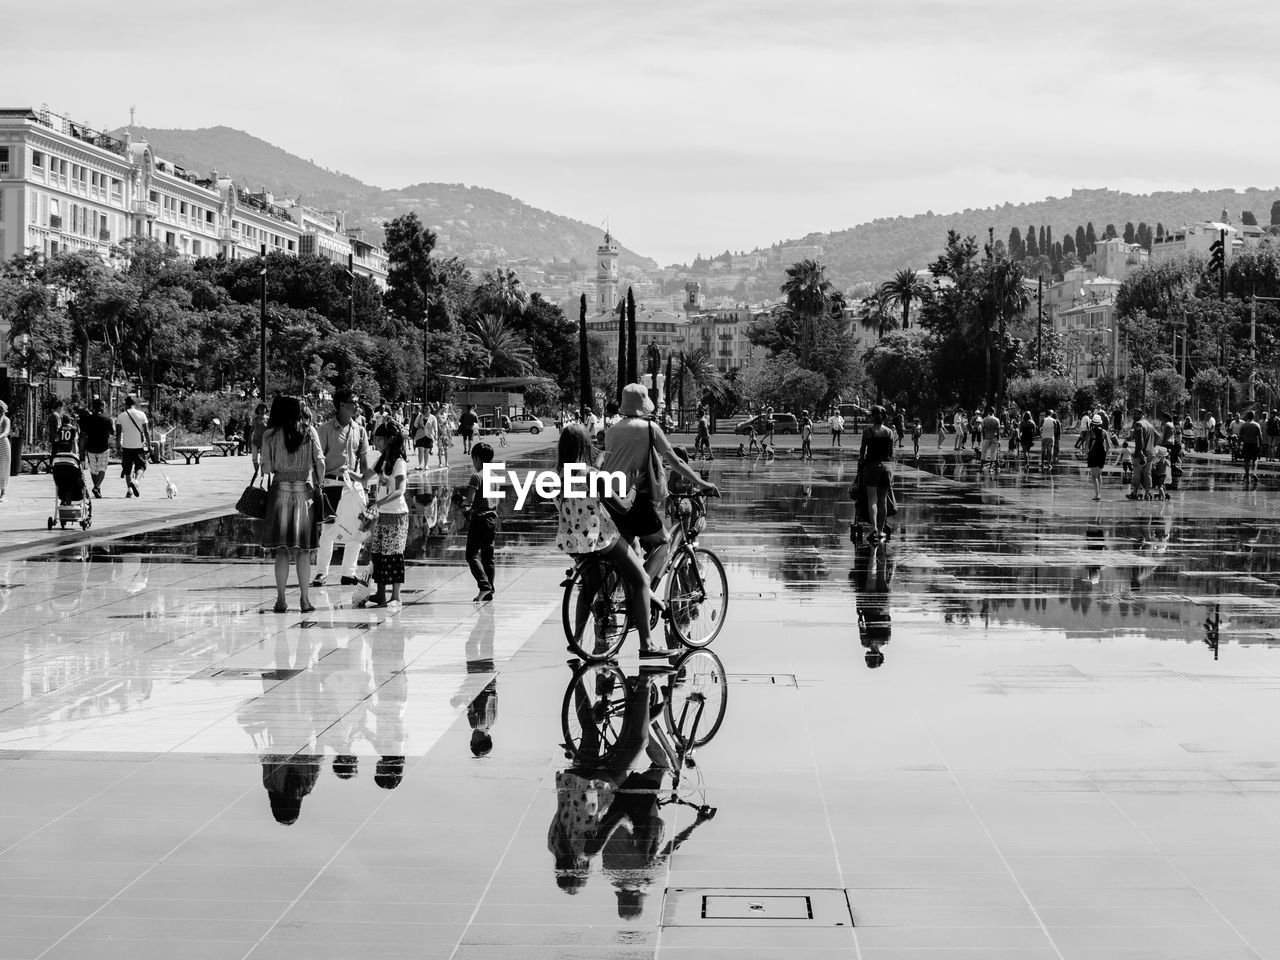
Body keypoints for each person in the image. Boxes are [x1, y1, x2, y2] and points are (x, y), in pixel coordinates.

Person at [603, 384, 720, 646]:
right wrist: (702, 483)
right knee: (664, 542)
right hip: (636, 498)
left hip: (612, 498)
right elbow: (675, 462)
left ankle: (625, 593)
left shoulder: (612, 430)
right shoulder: (649, 429)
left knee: (629, 547)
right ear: (644, 406)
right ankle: (641, 589)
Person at [556, 423, 670, 659]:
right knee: (641, 580)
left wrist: (597, 463)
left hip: (575, 541)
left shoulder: (559, 477)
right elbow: (623, 506)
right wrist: (635, 488)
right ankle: (647, 644)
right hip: (602, 538)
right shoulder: (593, 476)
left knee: (589, 588)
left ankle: (576, 640)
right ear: (585, 445)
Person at [259, 396, 326, 614]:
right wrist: (318, 484)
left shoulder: (270, 434)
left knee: (281, 550)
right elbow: (321, 462)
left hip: (279, 492)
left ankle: (280, 600)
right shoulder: (310, 431)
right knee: (303, 551)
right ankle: (305, 601)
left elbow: (266, 470)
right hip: (303, 492)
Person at [312, 390, 373, 588]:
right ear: (340, 405)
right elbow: (317, 459)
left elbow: (364, 462)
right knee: (329, 531)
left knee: (357, 529)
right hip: (331, 484)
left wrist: (366, 488)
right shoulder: (325, 429)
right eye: (352, 403)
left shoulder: (360, 429)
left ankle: (349, 572)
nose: (357, 406)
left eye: (357, 402)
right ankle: (322, 572)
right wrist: (316, 485)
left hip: (353, 486)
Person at [363, 421, 409, 609]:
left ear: (390, 439)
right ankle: (380, 594)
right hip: (380, 514)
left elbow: (400, 491)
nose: (377, 442)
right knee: (378, 554)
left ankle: (395, 596)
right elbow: (364, 477)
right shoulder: (381, 460)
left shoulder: (399, 463)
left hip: (397, 515)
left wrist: (378, 503)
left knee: (394, 555)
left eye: (380, 439)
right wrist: (347, 473)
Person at [459, 441, 499, 602]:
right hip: (492, 519)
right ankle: (490, 590)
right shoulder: (495, 477)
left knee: (472, 555)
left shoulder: (477, 476)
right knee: (488, 557)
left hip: (479, 519)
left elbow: (469, 501)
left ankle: (484, 586)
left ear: (476, 458)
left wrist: (462, 503)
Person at [856, 405, 896, 543]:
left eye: (870, 415)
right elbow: (891, 453)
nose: (869, 417)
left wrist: (862, 459)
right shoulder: (890, 432)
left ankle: (873, 528)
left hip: (872, 466)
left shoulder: (867, 431)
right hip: (886, 467)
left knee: (872, 499)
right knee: (882, 500)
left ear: (874, 416)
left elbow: (862, 451)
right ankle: (881, 529)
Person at [114, 395, 151, 498]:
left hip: (126, 446)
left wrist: (118, 445)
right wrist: (149, 444)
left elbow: (118, 433)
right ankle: (136, 481)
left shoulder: (121, 416)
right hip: (138, 445)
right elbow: (146, 432)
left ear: (126, 404)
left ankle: (129, 490)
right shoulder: (141, 414)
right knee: (141, 466)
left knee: (127, 469)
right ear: (135, 403)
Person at [80, 398, 113, 498]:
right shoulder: (107, 419)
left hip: (91, 447)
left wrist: (82, 449)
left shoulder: (88, 419)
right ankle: (97, 487)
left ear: (93, 407)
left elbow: (84, 434)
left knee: (93, 470)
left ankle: (97, 488)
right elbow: (112, 432)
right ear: (102, 407)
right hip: (103, 447)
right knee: (102, 469)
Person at [1126, 408, 1158, 501]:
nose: (1133, 416)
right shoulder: (1150, 425)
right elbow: (1158, 437)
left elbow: (1140, 439)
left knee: (1137, 475)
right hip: (1150, 454)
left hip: (1141, 455)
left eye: (1135, 414)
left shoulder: (1138, 424)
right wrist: (1151, 447)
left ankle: (1134, 493)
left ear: (1141, 414)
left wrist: (1140, 452)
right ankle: (1147, 494)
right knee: (1147, 475)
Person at [1083, 414, 1112, 502]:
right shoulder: (1104, 432)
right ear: (1100, 423)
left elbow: (1087, 444)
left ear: (1093, 423)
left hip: (1093, 454)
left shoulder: (1090, 432)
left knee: (1093, 476)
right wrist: (1106, 455)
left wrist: (1087, 453)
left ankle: (1097, 494)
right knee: (1099, 475)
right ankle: (1099, 493)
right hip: (1101, 454)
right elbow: (1109, 446)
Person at [1240, 410, 1263, 488]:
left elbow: (1240, 436)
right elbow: (1260, 437)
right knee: (1255, 459)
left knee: (1246, 460)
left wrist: (1240, 445)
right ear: (1253, 416)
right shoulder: (1257, 425)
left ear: (1247, 416)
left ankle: (1247, 475)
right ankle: (1254, 473)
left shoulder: (1244, 425)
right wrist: (1261, 446)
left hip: (1246, 444)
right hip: (1254, 444)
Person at [979, 406, 1002, 471]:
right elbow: (998, 430)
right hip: (994, 437)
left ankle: (981, 466)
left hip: (987, 437)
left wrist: (984, 437)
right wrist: (998, 439)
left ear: (988, 412)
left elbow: (983, 429)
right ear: (994, 412)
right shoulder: (997, 419)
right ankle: (991, 467)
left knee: (984, 451)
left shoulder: (985, 419)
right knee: (993, 452)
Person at [250, 403, 268, 470]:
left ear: (266, 409)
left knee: (262, 459)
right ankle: (256, 472)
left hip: (264, 442)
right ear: (258, 410)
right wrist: (249, 441)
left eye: (263, 409)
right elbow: (251, 430)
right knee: (254, 459)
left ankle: (262, 474)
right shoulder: (255, 419)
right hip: (255, 441)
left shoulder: (268, 419)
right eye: (260, 409)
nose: (262, 410)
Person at [0, 399, 9, 503]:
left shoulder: (5, 420)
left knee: (4, 469)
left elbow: (6, 432)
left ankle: (3, 493)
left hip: (3, 445)